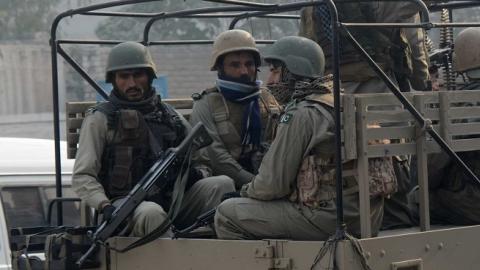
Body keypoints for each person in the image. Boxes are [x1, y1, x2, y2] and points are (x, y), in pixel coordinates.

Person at [214, 36, 391, 240]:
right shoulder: (344, 102)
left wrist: (244, 193)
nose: (270, 81)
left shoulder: (302, 113)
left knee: (227, 213)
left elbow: (271, 185)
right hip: (367, 217)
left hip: (328, 218)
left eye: (275, 70)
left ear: (292, 70)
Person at [72, 41, 235, 237]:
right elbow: (83, 175)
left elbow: (202, 161)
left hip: (174, 200)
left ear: (149, 77)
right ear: (114, 80)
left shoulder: (169, 116)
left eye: (138, 75)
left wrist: (194, 174)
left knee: (222, 184)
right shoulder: (101, 118)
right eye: (124, 77)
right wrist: (104, 205)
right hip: (127, 206)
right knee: (151, 213)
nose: (132, 83)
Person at [189, 29, 281, 189]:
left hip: (268, 180)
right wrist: (256, 184)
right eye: (235, 65)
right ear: (220, 68)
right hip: (229, 187)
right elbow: (217, 159)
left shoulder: (266, 99)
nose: (244, 71)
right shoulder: (206, 104)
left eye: (249, 64)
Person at [299, 2, 429, 94]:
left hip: (328, 93)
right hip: (376, 88)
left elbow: (307, 51)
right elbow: (414, 42)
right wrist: (422, 83)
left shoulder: (310, 7)